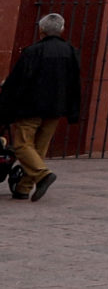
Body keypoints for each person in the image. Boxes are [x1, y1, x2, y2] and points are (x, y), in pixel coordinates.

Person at [1, 13, 81, 202]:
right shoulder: (70, 51)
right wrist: (72, 109)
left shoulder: (33, 51)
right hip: (55, 108)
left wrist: (5, 104)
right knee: (39, 148)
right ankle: (23, 188)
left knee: (21, 145)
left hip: (31, 107)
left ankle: (43, 174)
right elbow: (74, 83)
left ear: (41, 30)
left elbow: (18, 81)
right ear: (61, 30)